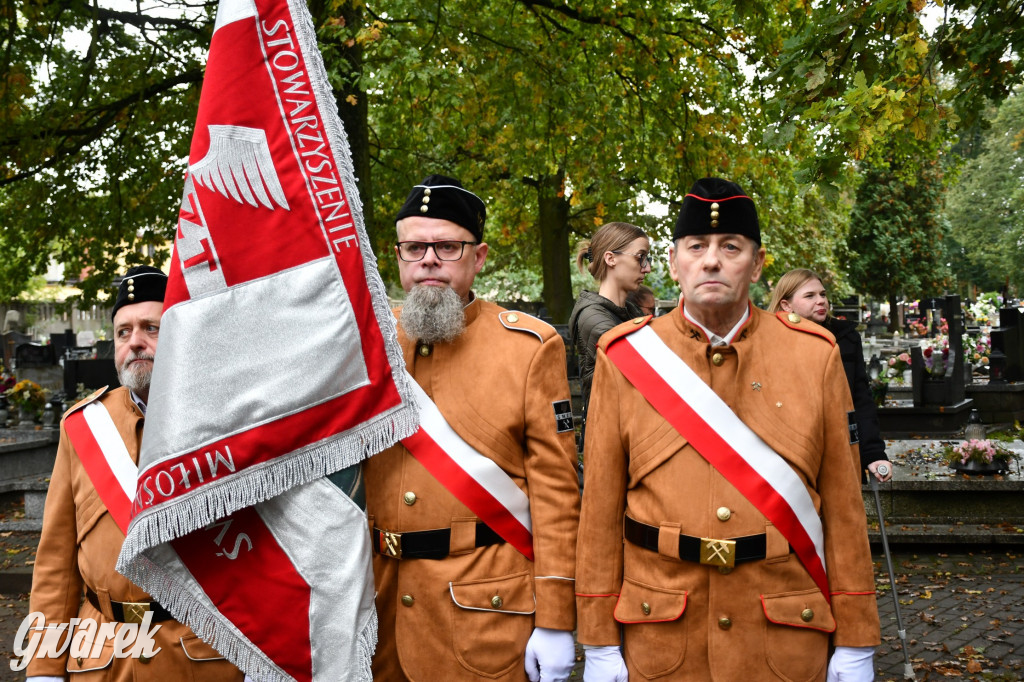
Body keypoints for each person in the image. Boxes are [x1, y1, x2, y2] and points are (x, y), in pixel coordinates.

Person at [576, 178, 881, 681]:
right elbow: (601, 509)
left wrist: (856, 640)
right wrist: (599, 639)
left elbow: (845, 508)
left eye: (730, 247)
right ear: (674, 263)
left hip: (784, 630)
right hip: (660, 635)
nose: (711, 261)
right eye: (696, 247)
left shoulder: (815, 355)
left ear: (758, 264)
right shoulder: (624, 356)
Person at [364, 175, 581, 681]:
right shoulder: (368, 343)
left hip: (485, 612)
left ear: (478, 257)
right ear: (397, 255)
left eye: (447, 246)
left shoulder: (529, 347)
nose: (429, 259)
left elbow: (555, 493)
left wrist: (554, 618)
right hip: (380, 612)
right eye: (414, 247)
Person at [26, 266, 243, 681]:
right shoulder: (83, 427)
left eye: (151, 328)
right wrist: (43, 669)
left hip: (199, 658)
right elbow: (56, 562)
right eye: (123, 332)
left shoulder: (228, 423)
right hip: (101, 658)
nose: (135, 342)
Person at [768, 268, 893, 483]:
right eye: (810, 296)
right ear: (786, 304)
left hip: (840, 449)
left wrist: (873, 454)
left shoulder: (846, 338)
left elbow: (860, 398)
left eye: (822, 294)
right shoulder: (769, 341)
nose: (821, 301)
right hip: (789, 456)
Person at [568, 222, 652, 413]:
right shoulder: (592, 317)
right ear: (610, 258)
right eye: (640, 258)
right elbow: (643, 369)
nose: (646, 268)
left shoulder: (631, 312)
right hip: (606, 436)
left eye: (647, 259)